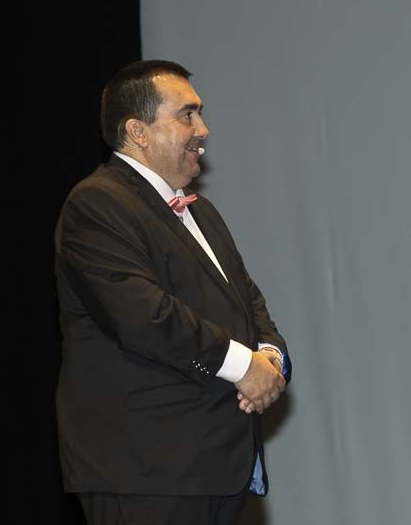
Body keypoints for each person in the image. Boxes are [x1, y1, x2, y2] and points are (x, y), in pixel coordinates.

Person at [55, 60, 291, 525]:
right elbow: (145, 317)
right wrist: (245, 366)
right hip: (147, 470)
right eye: (187, 115)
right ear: (138, 131)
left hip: (217, 469)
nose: (203, 129)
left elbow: (248, 303)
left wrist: (270, 358)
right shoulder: (98, 203)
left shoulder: (202, 212)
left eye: (200, 113)